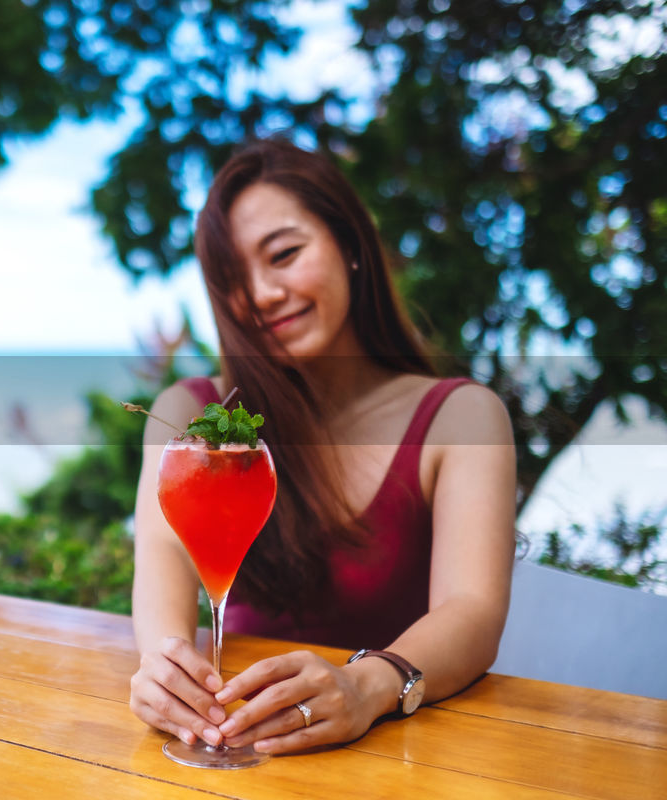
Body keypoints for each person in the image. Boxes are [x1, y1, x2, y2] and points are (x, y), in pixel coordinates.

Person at [129, 138, 517, 756]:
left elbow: (472, 611)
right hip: (234, 747)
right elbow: (161, 580)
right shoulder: (190, 418)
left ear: (351, 246)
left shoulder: (461, 415)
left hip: (401, 760)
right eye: (231, 279)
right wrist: (164, 673)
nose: (261, 295)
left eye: (284, 254)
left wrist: (367, 687)